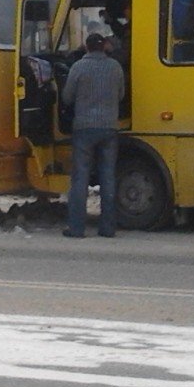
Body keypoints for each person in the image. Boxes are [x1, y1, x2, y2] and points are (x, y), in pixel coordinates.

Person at [60, 32, 125, 238]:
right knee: (108, 177)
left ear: (86, 47)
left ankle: (77, 228)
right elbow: (121, 94)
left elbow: (67, 97)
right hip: (109, 128)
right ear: (104, 46)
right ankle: (107, 228)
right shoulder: (115, 67)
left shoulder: (78, 67)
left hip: (84, 128)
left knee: (80, 178)